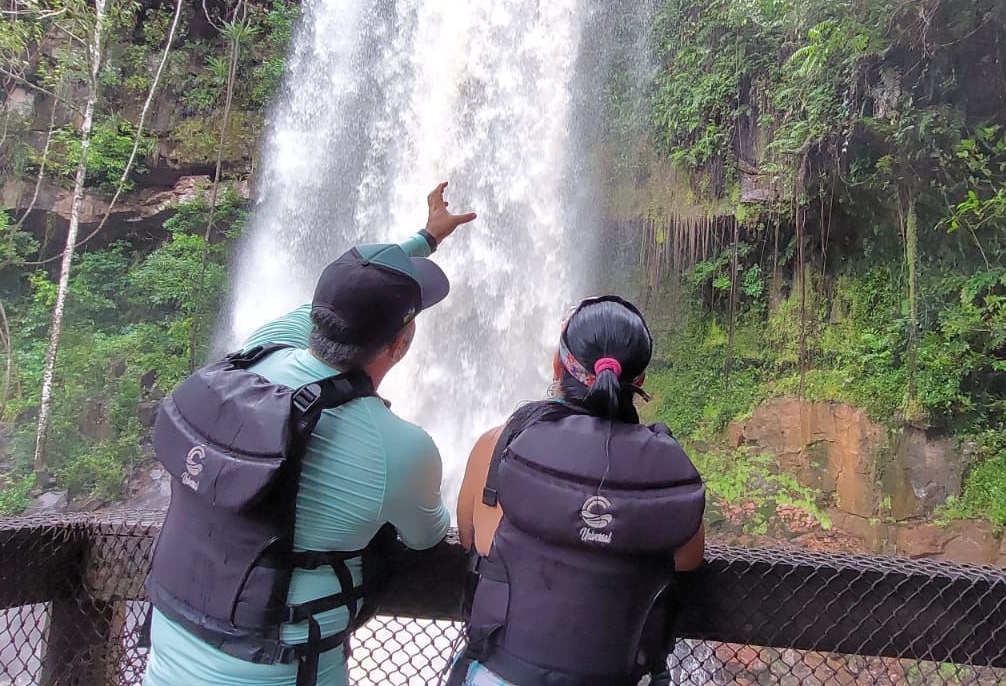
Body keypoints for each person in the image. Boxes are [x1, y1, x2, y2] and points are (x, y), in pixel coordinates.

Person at [143, 182, 477, 686]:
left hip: (167, 650)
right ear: (402, 343)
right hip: (281, 673)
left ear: (318, 314)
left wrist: (423, 239)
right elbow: (427, 537)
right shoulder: (401, 449)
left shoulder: (258, 354)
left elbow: (330, 303)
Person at [450, 295, 708, 686]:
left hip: (501, 673)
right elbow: (688, 560)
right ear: (639, 380)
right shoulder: (667, 473)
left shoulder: (499, 445)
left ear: (557, 365)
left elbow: (470, 536)